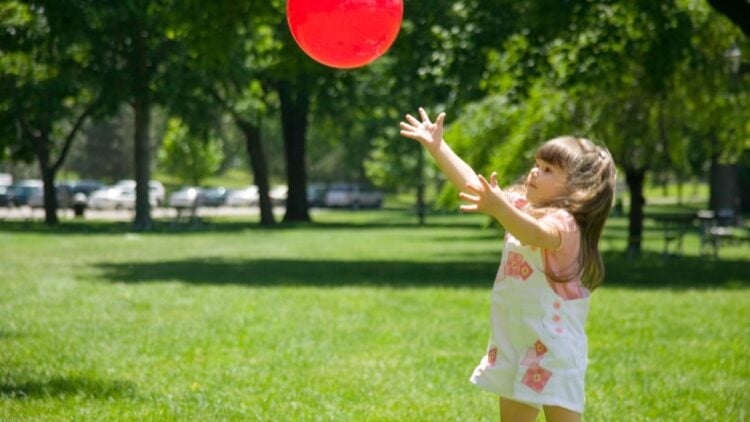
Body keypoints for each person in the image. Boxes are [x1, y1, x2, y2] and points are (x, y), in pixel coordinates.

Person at [399, 108, 616, 422]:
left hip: (554, 350)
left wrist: (501, 208)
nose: (533, 173)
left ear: (576, 188)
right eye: (536, 165)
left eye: (548, 170)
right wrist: (438, 146)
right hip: (515, 339)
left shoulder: (566, 225)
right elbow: (473, 185)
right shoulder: (523, 207)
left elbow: (532, 233)